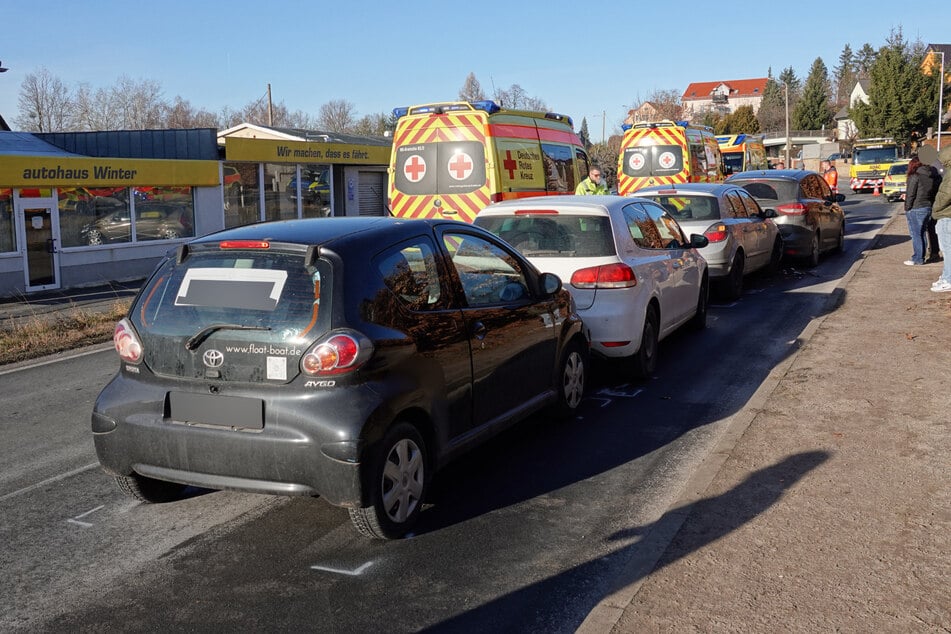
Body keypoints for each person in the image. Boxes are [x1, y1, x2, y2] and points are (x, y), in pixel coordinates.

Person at [903, 155, 938, 266]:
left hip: (916, 207)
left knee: (917, 234)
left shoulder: (914, 176)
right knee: (923, 233)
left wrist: (907, 208)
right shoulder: (931, 175)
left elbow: (911, 194)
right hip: (928, 206)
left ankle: (918, 258)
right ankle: (923, 255)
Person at [929, 145, 951, 292]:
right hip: (946, 214)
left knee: (948, 250)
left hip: (946, 214)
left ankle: (948, 279)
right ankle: (945, 276)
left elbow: (946, 194)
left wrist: (936, 207)